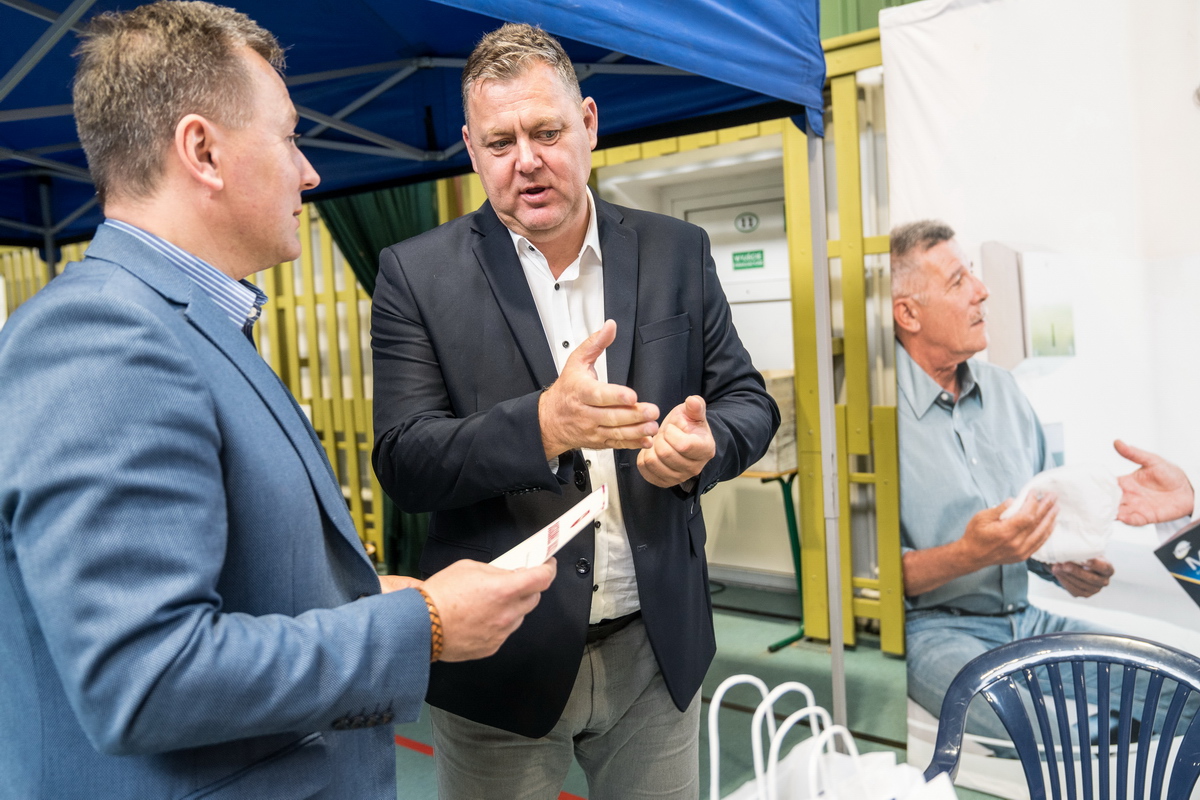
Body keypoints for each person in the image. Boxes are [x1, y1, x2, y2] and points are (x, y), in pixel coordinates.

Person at [0, 4, 555, 799]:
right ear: (203, 151)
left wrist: (357, 599)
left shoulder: (182, 322)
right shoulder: (102, 338)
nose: (309, 172)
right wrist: (421, 627)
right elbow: (146, 677)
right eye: (289, 138)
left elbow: (229, 580)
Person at [371, 22, 779, 800]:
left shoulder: (676, 251)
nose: (525, 159)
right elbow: (405, 460)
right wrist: (542, 427)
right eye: (500, 142)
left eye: (547, 132)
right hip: (501, 663)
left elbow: (747, 401)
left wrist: (709, 445)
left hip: (654, 649)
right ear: (470, 148)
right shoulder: (416, 276)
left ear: (588, 123)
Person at [891, 219, 1118, 740]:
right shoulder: (870, 415)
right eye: (958, 280)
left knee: (1180, 687)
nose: (982, 290)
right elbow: (865, 580)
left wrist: (1063, 565)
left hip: (1026, 619)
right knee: (1048, 729)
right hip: (933, 630)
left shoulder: (1005, 391)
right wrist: (967, 554)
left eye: (972, 272)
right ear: (908, 314)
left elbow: (1037, 524)